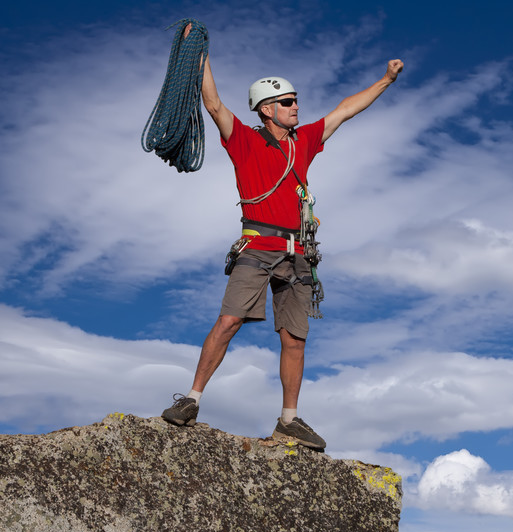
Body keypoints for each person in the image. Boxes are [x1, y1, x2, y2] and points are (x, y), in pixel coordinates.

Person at [161, 24, 404, 449]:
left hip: (298, 254)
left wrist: (385, 80)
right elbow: (213, 103)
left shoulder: (304, 141)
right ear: (266, 109)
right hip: (258, 247)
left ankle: (288, 420)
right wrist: (196, 52)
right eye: (288, 102)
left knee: (294, 338)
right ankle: (192, 400)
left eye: (295, 101)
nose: (296, 107)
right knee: (229, 320)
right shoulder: (243, 142)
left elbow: (345, 110)